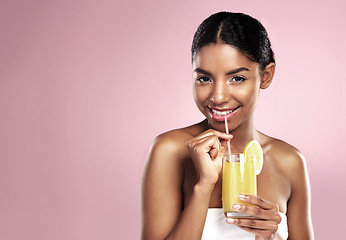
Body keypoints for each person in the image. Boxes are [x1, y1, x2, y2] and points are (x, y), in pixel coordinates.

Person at [141, 12, 314, 240]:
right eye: (205, 79)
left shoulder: (290, 162)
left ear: (266, 76)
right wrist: (204, 186)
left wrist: (270, 237)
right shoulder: (170, 150)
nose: (219, 96)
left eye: (237, 78)